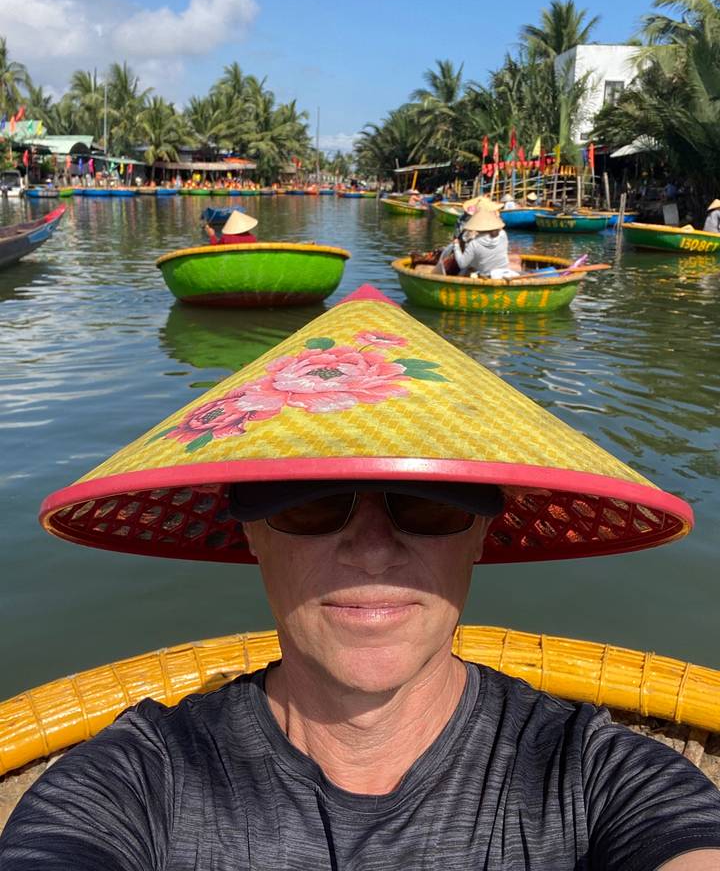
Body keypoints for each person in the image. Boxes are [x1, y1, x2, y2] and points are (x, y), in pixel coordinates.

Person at [2, 286, 720, 870]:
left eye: (429, 506)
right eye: (313, 506)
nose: (374, 552)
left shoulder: (588, 773)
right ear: (250, 532)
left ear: (481, 533)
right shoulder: (141, 780)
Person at [449, 208, 520, 278]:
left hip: (487, 276)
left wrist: (456, 245)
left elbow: (462, 264)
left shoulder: (474, 243)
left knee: (464, 271)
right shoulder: (503, 234)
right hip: (504, 272)